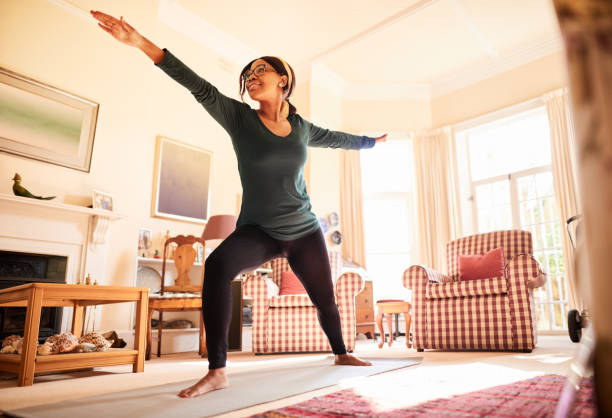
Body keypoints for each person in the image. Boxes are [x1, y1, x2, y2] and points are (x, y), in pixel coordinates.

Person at [91, 10, 387, 398]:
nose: (251, 76)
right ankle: (217, 371)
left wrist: (371, 143)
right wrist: (140, 42)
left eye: (260, 69)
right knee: (216, 266)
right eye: (248, 74)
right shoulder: (239, 119)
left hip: (303, 228)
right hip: (259, 230)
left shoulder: (302, 128)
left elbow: (338, 138)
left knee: (324, 297)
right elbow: (197, 85)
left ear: (283, 80)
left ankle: (342, 352)